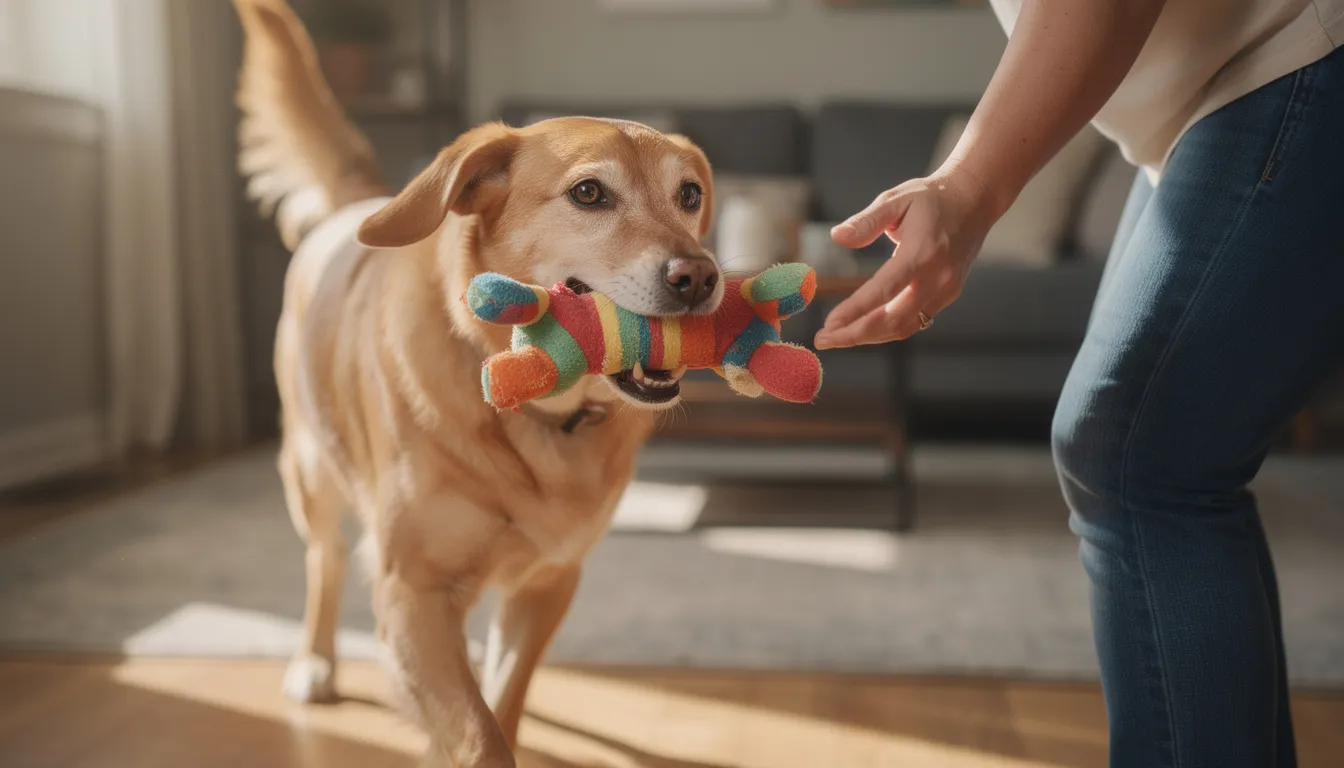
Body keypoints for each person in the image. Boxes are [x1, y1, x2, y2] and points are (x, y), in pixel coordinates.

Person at [813, 1, 1344, 766]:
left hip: (1291, 56)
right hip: (1198, 108)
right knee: (1153, 462)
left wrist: (969, 187)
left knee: (1134, 453)